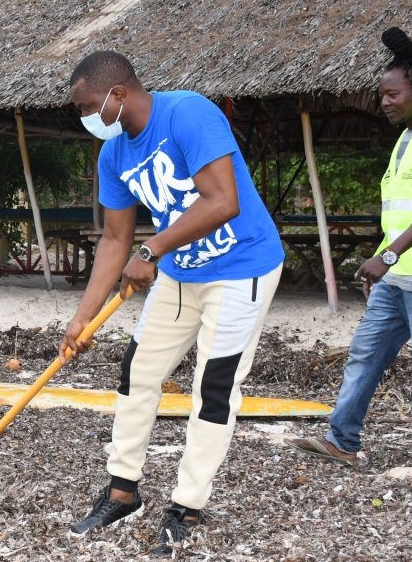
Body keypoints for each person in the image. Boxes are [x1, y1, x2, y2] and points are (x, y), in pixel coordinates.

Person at [60, 52, 284, 554]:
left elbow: (223, 200)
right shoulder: (113, 154)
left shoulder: (189, 113)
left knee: (216, 384)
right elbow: (115, 240)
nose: (85, 118)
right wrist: (83, 316)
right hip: (181, 273)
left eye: (87, 106)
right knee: (137, 372)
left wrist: (153, 249)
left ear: (118, 94)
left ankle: (186, 504)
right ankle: (123, 490)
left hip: (240, 268)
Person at [285, 28, 412, 487]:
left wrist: (386, 257)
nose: (384, 102)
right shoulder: (408, 137)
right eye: (381, 95)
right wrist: (384, 259)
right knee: (366, 354)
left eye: (392, 94)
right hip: (399, 275)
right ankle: (342, 440)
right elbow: (403, 212)